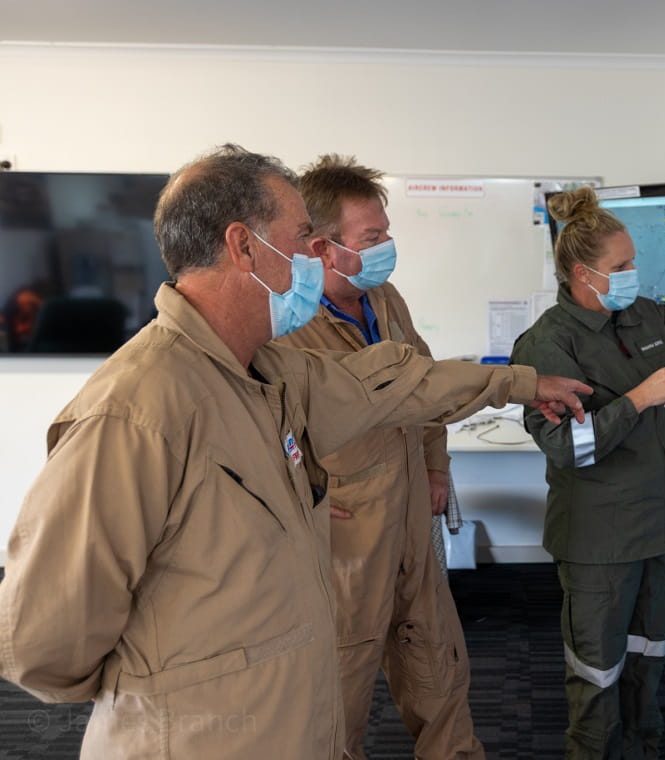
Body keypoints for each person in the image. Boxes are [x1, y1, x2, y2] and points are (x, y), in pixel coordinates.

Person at [0, 144, 590, 760]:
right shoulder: (135, 411)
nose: (315, 255)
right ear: (244, 247)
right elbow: (44, 644)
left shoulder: (268, 370)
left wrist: (518, 382)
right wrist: (180, 680)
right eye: (303, 236)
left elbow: (401, 382)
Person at [509, 187, 665, 759]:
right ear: (584, 274)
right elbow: (565, 446)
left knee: (648, 666)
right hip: (600, 543)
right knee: (596, 676)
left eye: (634, 260)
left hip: (660, 532)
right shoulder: (546, 344)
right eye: (622, 266)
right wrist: (635, 400)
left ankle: (641, 749)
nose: (635, 272)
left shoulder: (646, 314)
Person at [275, 154, 480, 759]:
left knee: (440, 668)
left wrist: (437, 466)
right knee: (340, 691)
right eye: (373, 237)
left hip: (413, 516)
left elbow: (425, 385)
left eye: (386, 231)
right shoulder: (289, 322)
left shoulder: (384, 297)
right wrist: (302, 496)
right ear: (322, 246)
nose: (388, 245)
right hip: (347, 537)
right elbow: (265, 428)